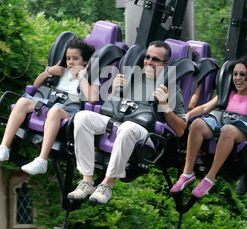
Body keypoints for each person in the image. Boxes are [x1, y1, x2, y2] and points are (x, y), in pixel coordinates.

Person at [68, 40, 187, 205]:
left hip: (144, 134)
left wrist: (165, 106)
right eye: (147, 57)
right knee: (82, 117)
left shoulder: (171, 88)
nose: (149, 62)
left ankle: (107, 185)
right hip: (117, 122)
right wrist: (114, 91)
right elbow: (110, 106)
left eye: (155, 59)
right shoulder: (131, 77)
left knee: (128, 127)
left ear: (166, 64)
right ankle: (87, 180)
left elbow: (181, 130)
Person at [0, 37, 98, 174]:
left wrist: (82, 77)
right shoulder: (63, 72)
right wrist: (49, 72)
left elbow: (93, 99)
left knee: (55, 111)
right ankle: (4, 147)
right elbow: (35, 86)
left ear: (85, 61)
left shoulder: (89, 76)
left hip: (69, 111)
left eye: (75, 58)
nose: (71, 62)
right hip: (50, 103)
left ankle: (41, 160)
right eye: (68, 58)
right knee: (23, 101)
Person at [170, 55, 247, 198]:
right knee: (198, 124)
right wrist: (187, 116)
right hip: (221, 124)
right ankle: (187, 173)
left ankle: (210, 178)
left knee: (228, 130)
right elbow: (205, 108)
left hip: (243, 130)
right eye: (235, 74)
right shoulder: (227, 94)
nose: (238, 78)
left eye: (242, 75)